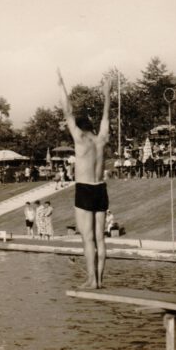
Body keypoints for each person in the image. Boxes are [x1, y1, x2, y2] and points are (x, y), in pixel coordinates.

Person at [57, 68, 112, 289]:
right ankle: (99, 280)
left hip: (85, 189)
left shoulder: (79, 139)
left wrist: (61, 85)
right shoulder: (102, 139)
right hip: (101, 189)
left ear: (79, 128)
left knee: (87, 238)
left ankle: (91, 280)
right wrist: (107, 94)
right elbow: (106, 116)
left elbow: (67, 111)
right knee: (100, 238)